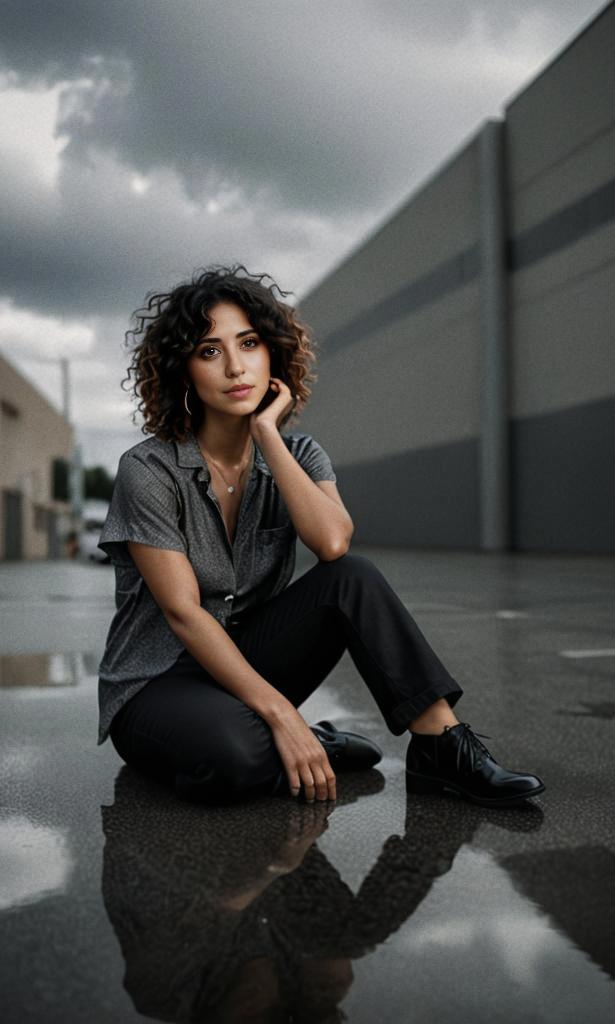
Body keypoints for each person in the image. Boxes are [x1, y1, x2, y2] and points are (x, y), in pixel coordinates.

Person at [96, 263, 544, 808]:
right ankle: (310, 742)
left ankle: (438, 745)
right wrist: (284, 713)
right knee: (234, 762)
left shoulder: (299, 454)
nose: (236, 367)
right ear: (183, 371)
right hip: (159, 683)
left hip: (250, 657)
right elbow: (185, 613)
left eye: (250, 343)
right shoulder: (149, 469)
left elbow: (333, 544)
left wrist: (267, 435)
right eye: (209, 351)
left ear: (273, 356)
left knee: (351, 578)